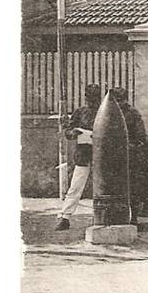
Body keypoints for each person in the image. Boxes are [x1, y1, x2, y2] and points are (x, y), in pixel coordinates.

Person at [55, 83, 102, 231]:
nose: (92, 101)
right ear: (86, 97)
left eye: (95, 98)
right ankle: (65, 217)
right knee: (75, 186)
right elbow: (68, 132)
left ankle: (102, 217)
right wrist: (73, 133)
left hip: (102, 155)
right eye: (90, 97)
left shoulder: (105, 112)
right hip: (84, 153)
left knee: (104, 188)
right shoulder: (80, 112)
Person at [111, 87, 148, 223]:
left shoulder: (133, 113)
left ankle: (133, 217)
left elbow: (141, 136)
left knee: (133, 187)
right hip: (115, 157)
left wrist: (130, 146)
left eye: (120, 100)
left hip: (130, 156)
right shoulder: (110, 113)